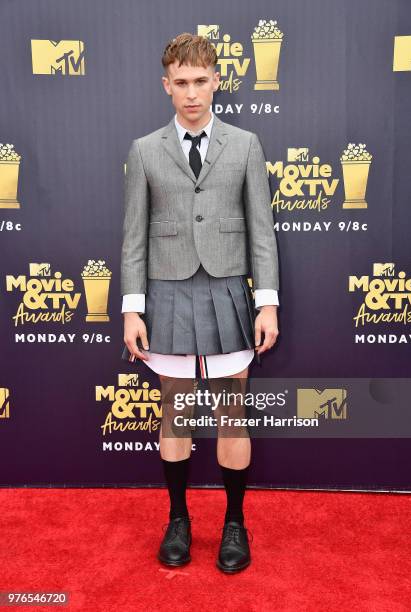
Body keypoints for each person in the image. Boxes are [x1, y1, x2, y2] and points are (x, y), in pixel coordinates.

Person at [121, 32, 280, 573]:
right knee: (175, 410)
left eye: (200, 81)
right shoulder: (144, 150)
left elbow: (263, 231)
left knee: (233, 412)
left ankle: (234, 523)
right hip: (165, 293)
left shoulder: (246, 144)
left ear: (216, 81)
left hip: (228, 291)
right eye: (181, 83)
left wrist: (268, 303)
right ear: (167, 86)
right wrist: (132, 307)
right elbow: (133, 236)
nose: (192, 93)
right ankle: (178, 519)